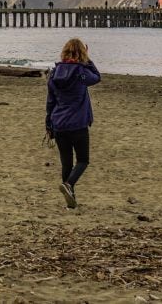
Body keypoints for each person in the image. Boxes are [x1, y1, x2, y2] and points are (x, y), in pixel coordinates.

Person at [45, 38, 101, 209]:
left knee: (67, 163)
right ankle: (68, 186)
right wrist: (88, 60)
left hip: (59, 123)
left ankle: (71, 202)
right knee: (83, 160)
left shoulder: (54, 73)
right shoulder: (80, 72)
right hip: (77, 124)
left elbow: (50, 101)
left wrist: (48, 124)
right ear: (81, 54)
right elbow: (97, 77)